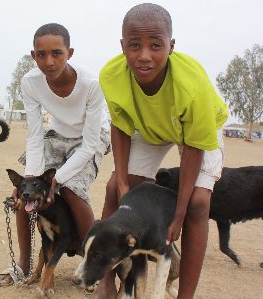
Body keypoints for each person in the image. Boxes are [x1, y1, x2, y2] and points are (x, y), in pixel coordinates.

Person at [93, 3, 229, 299]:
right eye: (134, 45)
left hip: (197, 131)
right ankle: (105, 281)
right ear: (122, 46)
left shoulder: (192, 84)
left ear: (171, 45)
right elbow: (121, 127)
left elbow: (193, 146)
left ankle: (185, 295)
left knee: (197, 203)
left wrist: (178, 214)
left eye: (156, 45)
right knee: (115, 186)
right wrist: (125, 184)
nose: (144, 55)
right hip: (151, 126)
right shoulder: (111, 75)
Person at [0, 23, 111, 286]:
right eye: (41, 54)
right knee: (26, 190)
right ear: (33, 55)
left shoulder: (91, 84)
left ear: (69, 53)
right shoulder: (30, 82)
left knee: (70, 189)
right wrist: (31, 177)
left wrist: (57, 180)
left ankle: (94, 268)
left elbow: (91, 144)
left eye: (57, 53)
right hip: (57, 134)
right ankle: (23, 264)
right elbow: (35, 135)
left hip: (91, 139)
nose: (49, 61)